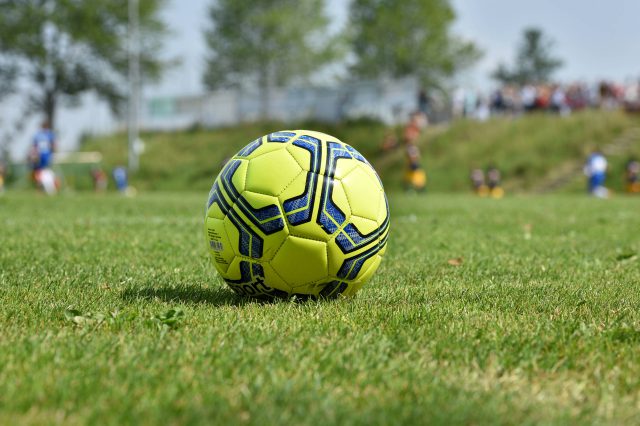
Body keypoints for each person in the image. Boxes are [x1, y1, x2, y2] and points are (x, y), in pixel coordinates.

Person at [29, 121, 58, 195]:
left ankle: (47, 187)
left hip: (45, 155)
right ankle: (42, 188)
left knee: (44, 172)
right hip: (42, 155)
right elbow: (53, 145)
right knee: (40, 172)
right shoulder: (44, 134)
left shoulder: (46, 134)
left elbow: (53, 145)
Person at [403, 112, 427, 192]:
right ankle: (415, 188)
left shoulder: (415, 130)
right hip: (411, 151)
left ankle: (415, 187)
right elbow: (408, 138)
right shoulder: (410, 130)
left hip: (412, 151)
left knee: (415, 173)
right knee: (414, 172)